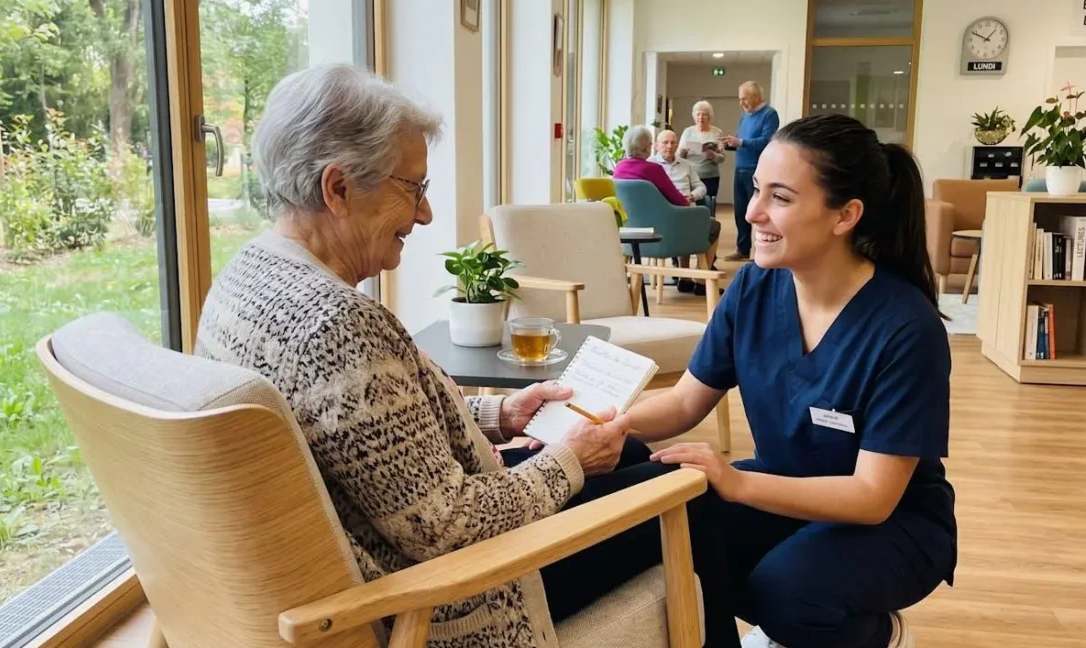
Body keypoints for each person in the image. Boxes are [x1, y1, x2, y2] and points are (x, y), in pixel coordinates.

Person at [193, 65, 726, 648]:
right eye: (412, 188)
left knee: (629, 447)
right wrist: (570, 461)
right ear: (337, 189)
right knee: (688, 487)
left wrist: (503, 415)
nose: (423, 214)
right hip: (448, 597)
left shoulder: (247, 275)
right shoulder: (336, 326)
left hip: (400, 539)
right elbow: (446, 528)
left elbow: (362, 435)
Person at [625, 114, 958, 648]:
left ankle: (874, 633)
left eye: (780, 197)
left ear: (845, 215)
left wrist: (736, 482)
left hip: (895, 522)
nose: (753, 212)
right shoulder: (755, 287)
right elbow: (686, 401)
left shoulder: (904, 328)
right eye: (756, 189)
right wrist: (605, 424)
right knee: (683, 536)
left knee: (788, 593)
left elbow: (872, 497)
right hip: (786, 490)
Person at [651, 129, 722, 294]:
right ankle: (689, 276)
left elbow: (701, 186)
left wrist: (693, 195)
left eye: (673, 142)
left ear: (678, 144)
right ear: (656, 145)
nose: (669, 146)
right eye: (665, 142)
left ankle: (697, 277)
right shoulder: (651, 165)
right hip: (665, 217)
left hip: (687, 211)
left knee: (713, 226)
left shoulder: (686, 164)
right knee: (698, 228)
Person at [721, 81, 779, 261]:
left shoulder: (769, 114)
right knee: (740, 212)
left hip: (756, 171)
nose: (741, 103)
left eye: (744, 99)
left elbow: (767, 142)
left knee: (758, 213)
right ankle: (742, 250)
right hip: (740, 169)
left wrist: (740, 142)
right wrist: (729, 145)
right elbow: (741, 141)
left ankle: (762, 252)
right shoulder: (744, 116)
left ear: (755, 97)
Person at [679, 101, 727, 210]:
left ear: (709, 117)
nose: (701, 117)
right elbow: (679, 155)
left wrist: (713, 155)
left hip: (710, 176)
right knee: (691, 206)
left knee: (708, 206)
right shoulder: (688, 132)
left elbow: (722, 158)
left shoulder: (717, 132)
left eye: (704, 114)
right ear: (694, 116)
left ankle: (709, 226)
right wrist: (683, 151)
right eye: (698, 114)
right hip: (690, 176)